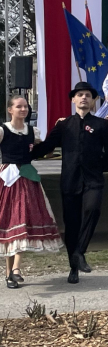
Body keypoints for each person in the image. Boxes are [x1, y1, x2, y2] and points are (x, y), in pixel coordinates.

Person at [31, 82, 108, 284]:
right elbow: (46, 146)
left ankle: (80, 252)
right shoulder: (63, 125)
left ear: (93, 99)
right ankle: (74, 267)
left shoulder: (102, 125)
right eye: (80, 95)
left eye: (87, 95)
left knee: (93, 210)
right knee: (71, 224)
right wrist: (21, 156)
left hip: (93, 180)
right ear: (73, 99)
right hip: (70, 180)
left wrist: (98, 166)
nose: (84, 98)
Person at [0, 96, 63, 289]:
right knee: (10, 221)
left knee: (24, 219)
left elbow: (41, 151)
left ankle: (16, 269)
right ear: (10, 110)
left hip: (27, 178)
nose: (23, 109)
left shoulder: (32, 132)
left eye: (25, 106)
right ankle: (10, 272)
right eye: (19, 106)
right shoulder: (3, 130)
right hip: (8, 178)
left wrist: (57, 131)